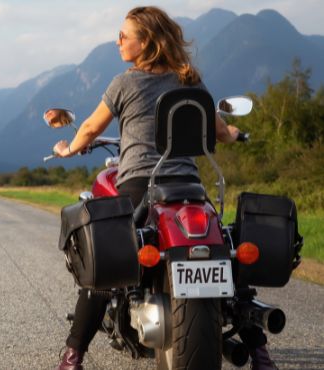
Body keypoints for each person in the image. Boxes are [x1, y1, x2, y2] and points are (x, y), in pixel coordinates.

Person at [51, 6, 277, 370]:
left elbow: (91, 128)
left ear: (147, 42)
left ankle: (73, 356)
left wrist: (68, 148)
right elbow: (219, 130)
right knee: (227, 260)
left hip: (141, 184)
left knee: (109, 266)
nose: (118, 40)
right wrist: (236, 134)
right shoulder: (189, 80)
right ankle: (261, 355)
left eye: (125, 35)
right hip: (190, 188)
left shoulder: (124, 83)